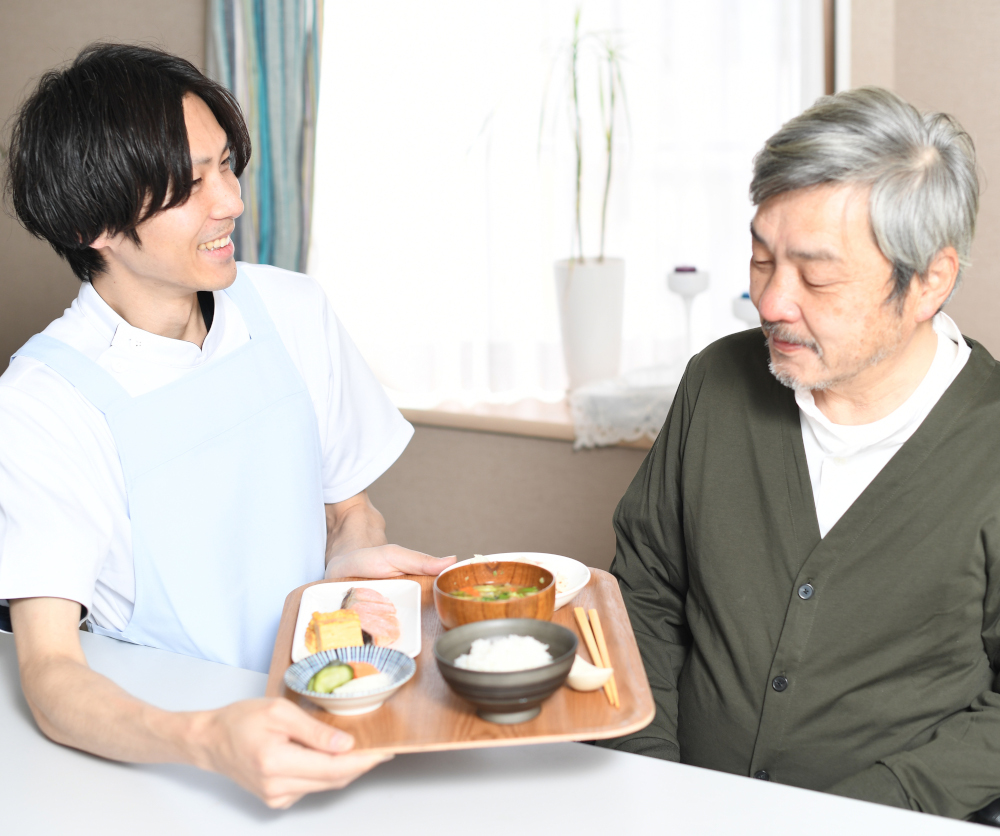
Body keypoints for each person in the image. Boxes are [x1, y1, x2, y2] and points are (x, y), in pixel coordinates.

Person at [0, 43, 454, 808]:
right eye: (189, 186)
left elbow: (349, 507)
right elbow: (50, 675)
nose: (231, 203)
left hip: (328, 706)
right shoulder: (44, 402)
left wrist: (351, 562)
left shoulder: (291, 311)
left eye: (226, 167)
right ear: (93, 224)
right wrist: (207, 738)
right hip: (159, 756)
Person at [598, 86, 1000, 821]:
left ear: (929, 283)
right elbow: (646, 593)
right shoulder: (716, 385)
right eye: (760, 260)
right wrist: (650, 777)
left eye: (817, 276)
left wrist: (862, 813)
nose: (773, 301)